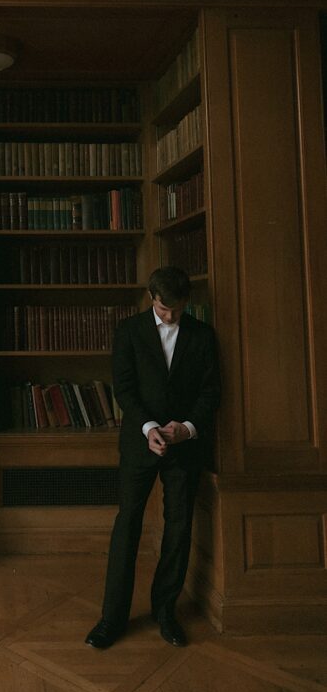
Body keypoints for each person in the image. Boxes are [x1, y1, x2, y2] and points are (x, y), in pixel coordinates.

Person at [85, 266, 220, 650]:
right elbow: (124, 390)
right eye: (164, 309)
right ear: (151, 297)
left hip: (185, 447)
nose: (170, 317)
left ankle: (165, 612)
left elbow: (211, 393)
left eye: (177, 310)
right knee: (127, 524)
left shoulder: (203, 335)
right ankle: (111, 619)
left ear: (186, 303)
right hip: (140, 444)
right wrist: (149, 430)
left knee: (178, 528)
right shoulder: (128, 331)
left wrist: (188, 428)